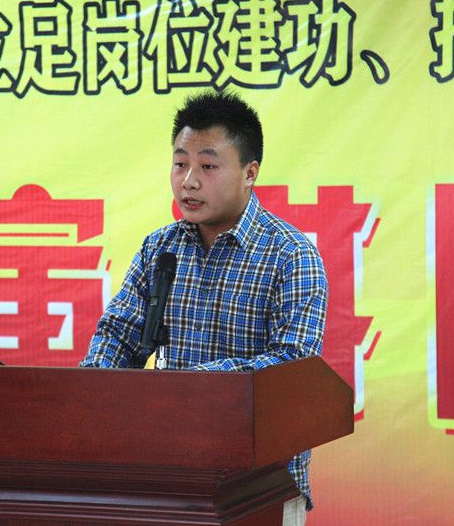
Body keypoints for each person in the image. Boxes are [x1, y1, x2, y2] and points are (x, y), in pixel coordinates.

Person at [80, 91, 328, 525]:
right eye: (180, 164)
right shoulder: (160, 248)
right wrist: (90, 393)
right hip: (168, 478)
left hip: (260, 487)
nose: (189, 182)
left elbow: (292, 368)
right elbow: (118, 335)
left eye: (208, 167)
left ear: (250, 173)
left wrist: (189, 388)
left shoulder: (291, 256)